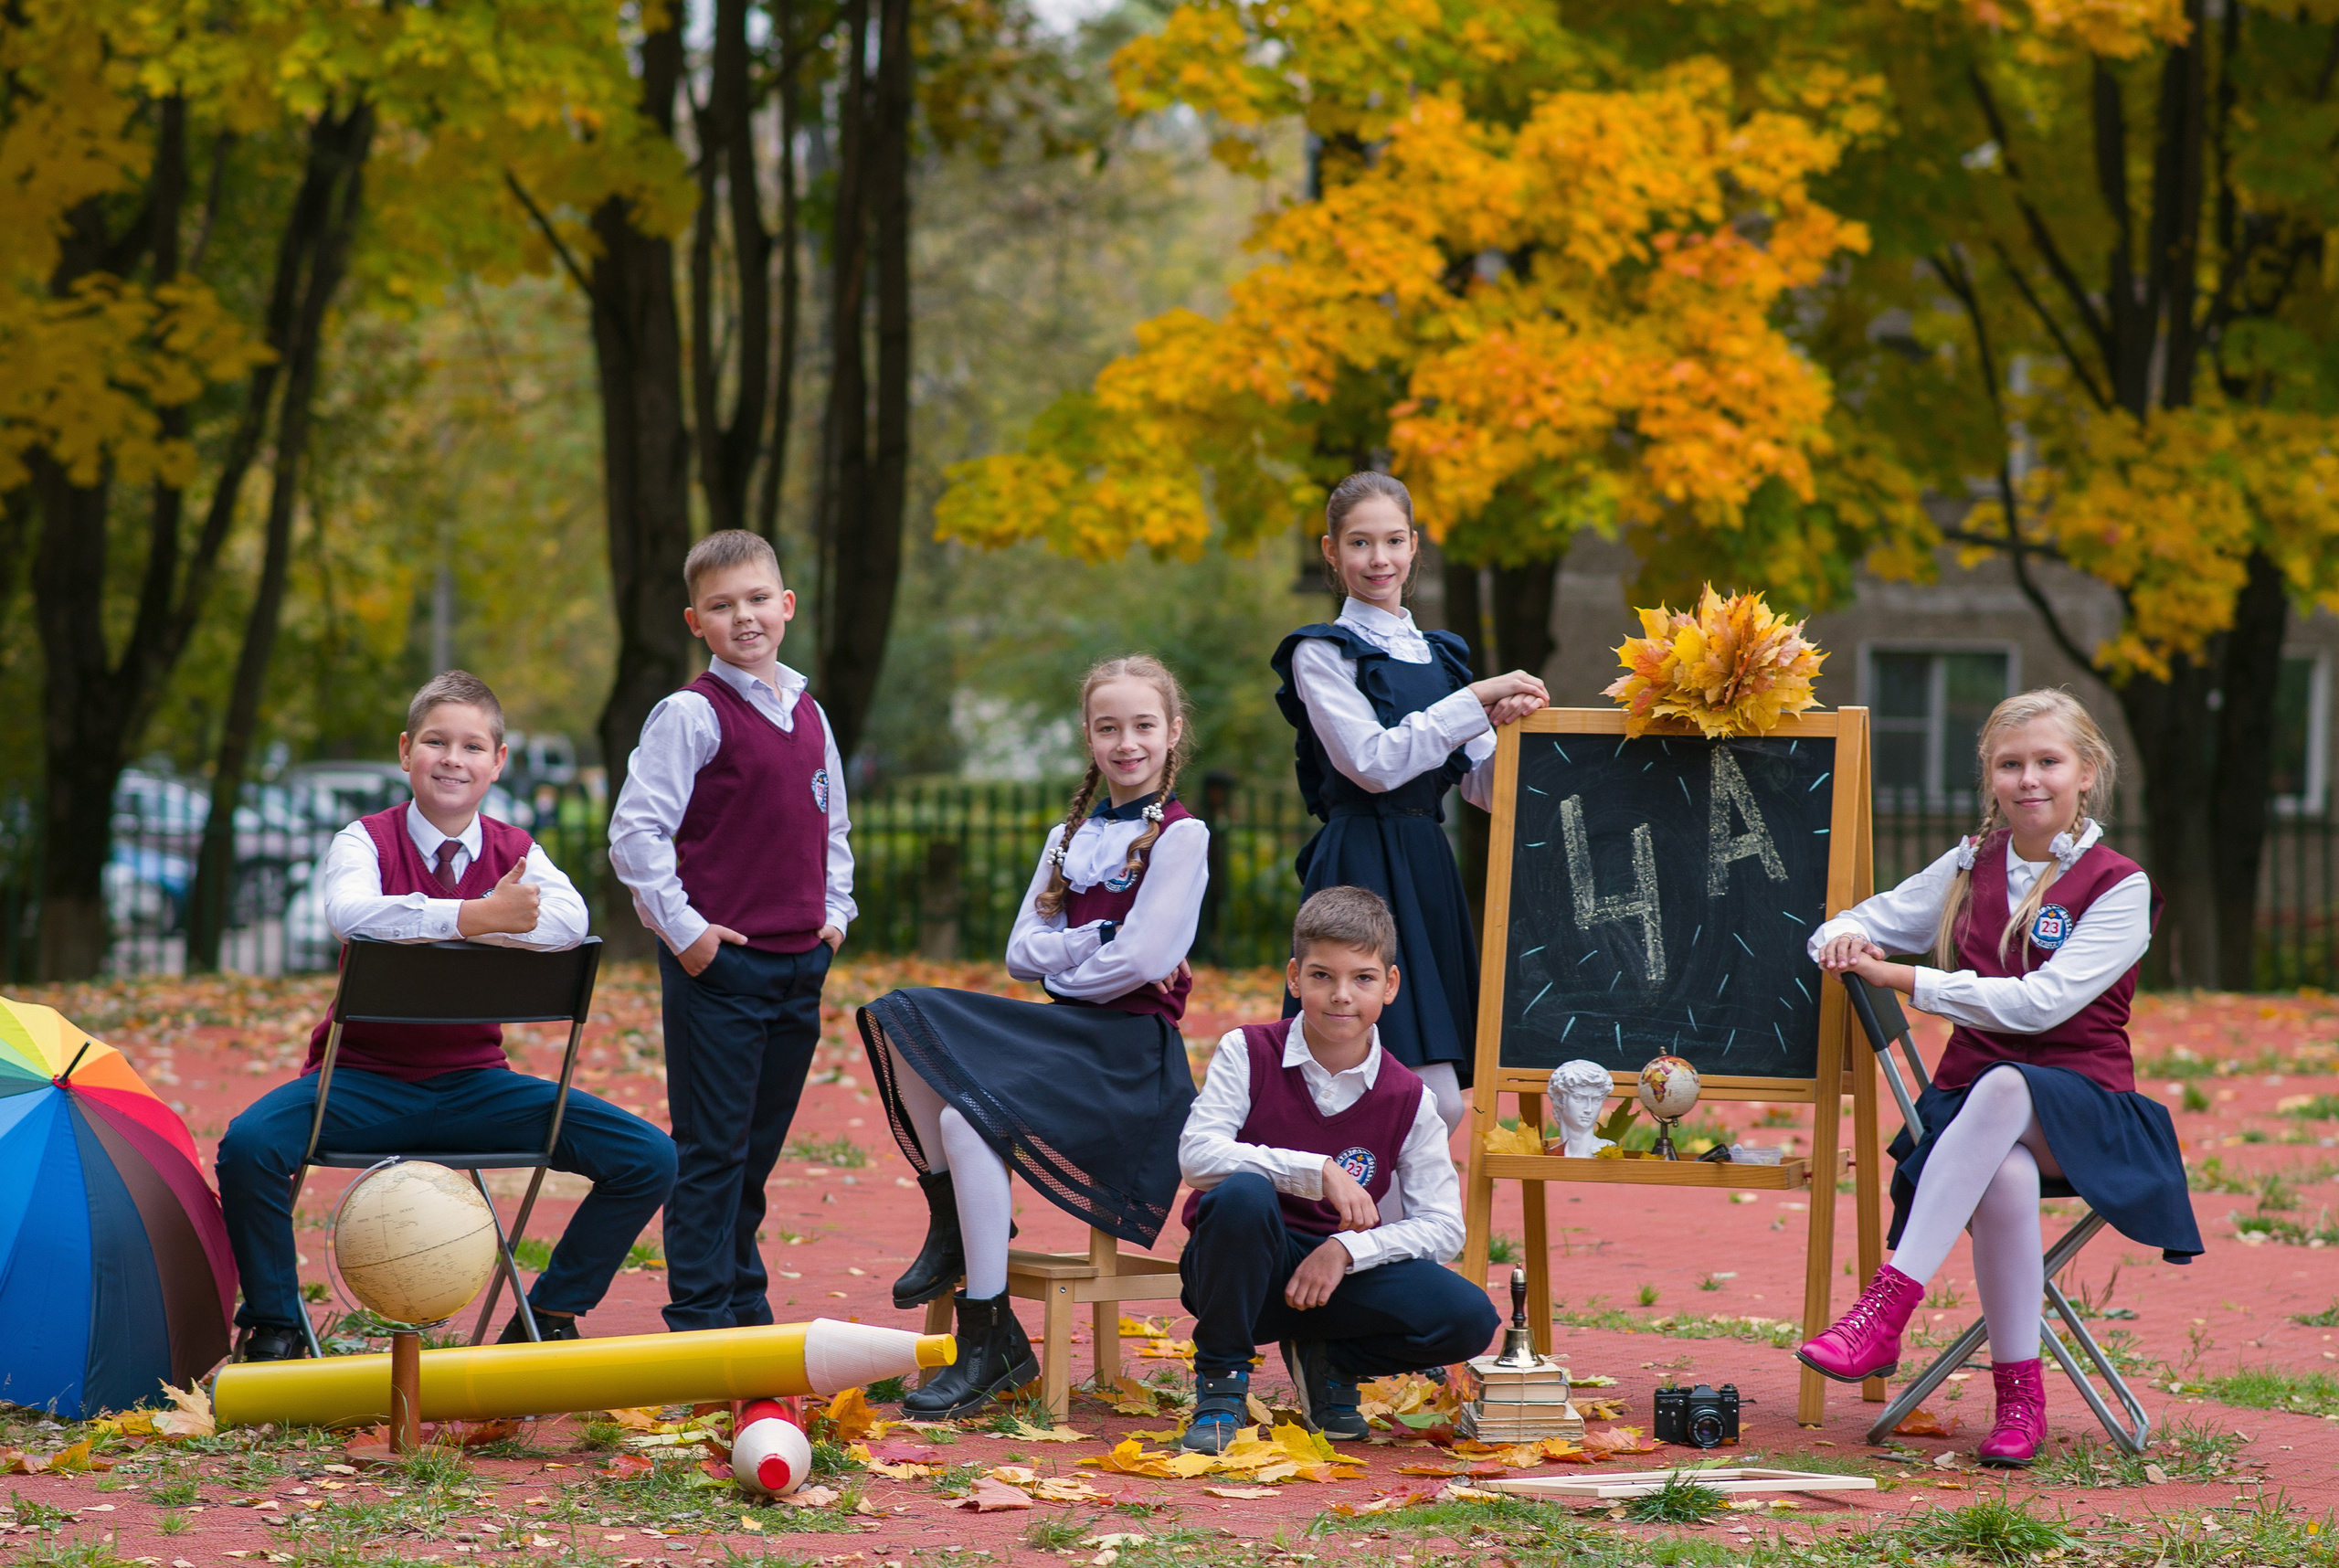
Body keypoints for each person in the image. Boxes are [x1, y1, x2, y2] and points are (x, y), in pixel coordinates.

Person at [217, 673, 677, 1359]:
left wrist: (467, 923)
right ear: (406, 751)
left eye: (472, 746)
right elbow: (351, 914)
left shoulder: (516, 850)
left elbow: (570, 920)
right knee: (249, 1146)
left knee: (648, 1156)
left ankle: (548, 1315)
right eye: (436, 742)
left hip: (477, 1088)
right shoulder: (364, 841)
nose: (452, 759)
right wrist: (476, 917)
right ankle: (276, 1325)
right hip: (358, 1086)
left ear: (498, 762)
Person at [1797, 688, 2201, 1467]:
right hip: (1975, 1122)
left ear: (2087, 772)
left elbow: (2040, 1005)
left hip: (2087, 1114)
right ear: (1990, 777)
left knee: (2009, 1085)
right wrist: (1844, 938)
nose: (2029, 780)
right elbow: (1852, 923)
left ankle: (1885, 1310)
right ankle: (2021, 1400)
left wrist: (1906, 978)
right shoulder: (1970, 864)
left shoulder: (2120, 884)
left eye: (2049, 761)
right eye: (2010, 764)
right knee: (2005, 1173)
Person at [857, 655, 1205, 1417]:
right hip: (1064, 1035)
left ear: (1172, 732)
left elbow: (1144, 962)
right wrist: (1098, 942)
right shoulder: (1065, 837)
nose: (1126, 743)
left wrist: (1071, 961)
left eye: (1143, 726)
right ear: (1088, 736)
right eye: (1108, 727)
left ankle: (989, 1340)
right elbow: (1021, 955)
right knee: (900, 1013)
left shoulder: (1183, 838)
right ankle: (955, 1232)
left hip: (1130, 1059)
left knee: (964, 1118)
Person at [608, 529, 856, 1333]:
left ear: (786, 606)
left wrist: (835, 918)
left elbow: (833, 828)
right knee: (712, 1150)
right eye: (721, 606)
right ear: (696, 622)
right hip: (721, 968)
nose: (743, 617)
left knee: (756, 1151)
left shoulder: (810, 713)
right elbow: (636, 834)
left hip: (799, 965)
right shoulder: (691, 715)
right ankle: (700, 1317)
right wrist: (688, 936)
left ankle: (743, 1303)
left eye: (756, 599)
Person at [1175, 885, 1498, 1453]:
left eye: (1363, 978)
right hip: (1239, 1274)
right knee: (1243, 1195)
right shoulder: (1247, 1051)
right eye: (1322, 976)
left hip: (1335, 1282)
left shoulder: (1408, 1096)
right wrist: (1316, 1170)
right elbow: (1197, 1155)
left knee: (1469, 1318)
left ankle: (1332, 1361)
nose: (1341, 995)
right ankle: (1222, 1386)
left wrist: (1348, 1250)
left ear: (1390, 985)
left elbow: (1445, 1226)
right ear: (1295, 978)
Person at [1272, 471, 1547, 1132]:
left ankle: (1368, 1199)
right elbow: (1372, 764)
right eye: (1360, 543)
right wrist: (1474, 700)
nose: (1379, 559)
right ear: (1331, 551)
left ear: (1415, 545)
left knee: (1429, 1096)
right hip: (1361, 863)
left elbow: (1485, 789)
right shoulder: (1321, 652)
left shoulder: (1442, 658)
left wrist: (1514, 726)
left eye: (1394, 541)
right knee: (1382, 1085)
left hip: (1425, 867)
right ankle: (1346, 1195)